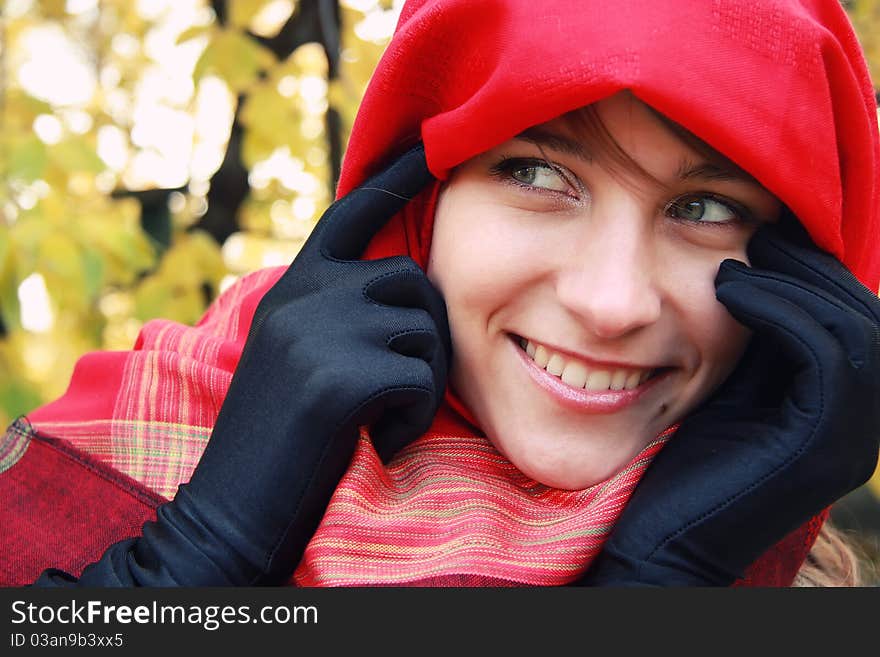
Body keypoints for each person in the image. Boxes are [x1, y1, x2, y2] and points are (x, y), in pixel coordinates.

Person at [2, 0, 879, 587]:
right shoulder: (144, 432)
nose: (613, 302)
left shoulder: (788, 564)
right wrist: (200, 550)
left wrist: (663, 582)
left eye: (706, 207)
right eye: (537, 172)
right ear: (417, 200)